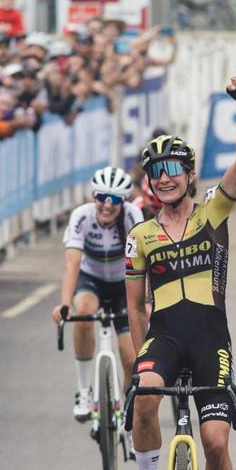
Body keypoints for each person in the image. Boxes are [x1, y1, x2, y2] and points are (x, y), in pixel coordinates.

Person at [124, 77, 236, 470]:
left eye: (174, 168)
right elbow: (136, 307)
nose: (165, 177)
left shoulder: (212, 214)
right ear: (149, 181)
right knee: (144, 395)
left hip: (210, 339)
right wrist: (140, 358)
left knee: (216, 442)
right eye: (156, 171)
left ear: (189, 174)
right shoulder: (141, 236)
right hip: (165, 336)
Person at [51, 166, 142, 423]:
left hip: (125, 284)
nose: (107, 205)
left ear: (123, 202)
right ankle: (83, 390)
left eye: (114, 200)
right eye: (101, 197)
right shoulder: (82, 217)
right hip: (91, 280)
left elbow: (145, 262)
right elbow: (72, 266)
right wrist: (65, 305)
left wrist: (146, 301)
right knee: (83, 311)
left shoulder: (133, 216)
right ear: (93, 197)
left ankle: (130, 409)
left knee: (130, 356)